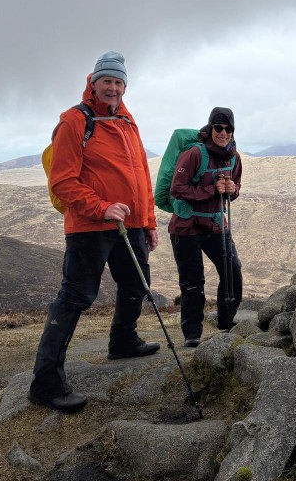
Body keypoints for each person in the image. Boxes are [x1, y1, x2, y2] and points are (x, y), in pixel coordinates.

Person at [29, 51, 160, 414]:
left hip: (130, 225)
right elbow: (63, 182)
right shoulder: (74, 122)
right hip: (89, 227)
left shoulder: (127, 121)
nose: (113, 88)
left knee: (136, 284)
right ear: (94, 82)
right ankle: (46, 382)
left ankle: (123, 341)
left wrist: (147, 222)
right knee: (75, 298)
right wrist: (102, 207)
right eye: (108, 81)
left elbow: (141, 178)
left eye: (119, 83)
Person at [167, 107, 243, 347]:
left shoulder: (234, 157)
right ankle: (192, 334)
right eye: (218, 128)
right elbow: (177, 189)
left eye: (228, 128)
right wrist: (212, 190)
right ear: (210, 128)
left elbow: (235, 186)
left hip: (215, 225)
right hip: (186, 227)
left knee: (232, 270)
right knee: (192, 282)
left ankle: (227, 323)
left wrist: (233, 190)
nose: (223, 133)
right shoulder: (194, 154)